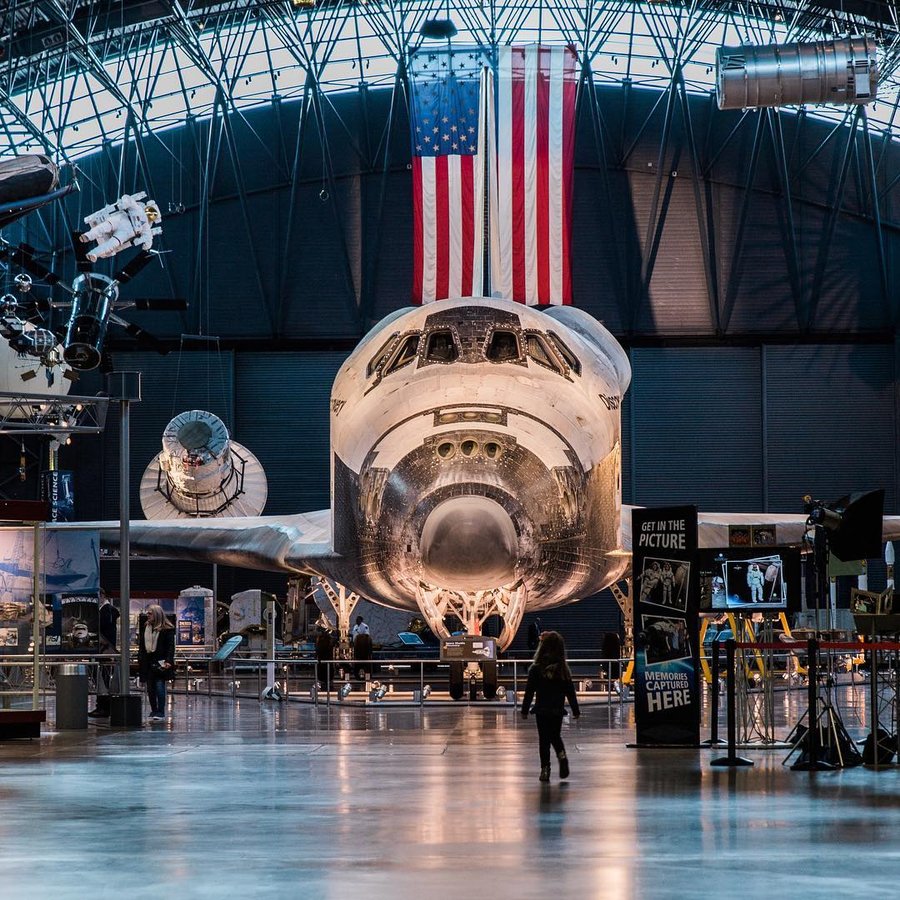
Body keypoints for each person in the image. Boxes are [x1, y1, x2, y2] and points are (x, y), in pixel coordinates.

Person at [521, 631, 580, 782]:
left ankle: (545, 769)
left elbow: (529, 691)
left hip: (542, 709)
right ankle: (562, 757)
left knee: (544, 740)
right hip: (557, 710)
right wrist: (575, 710)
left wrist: (525, 709)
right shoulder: (563, 669)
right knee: (555, 736)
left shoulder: (536, 669)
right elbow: (570, 691)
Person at [138, 604, 175, 722]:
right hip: (148, 661)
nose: (147, 615)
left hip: (161, 661)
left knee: (159, 686)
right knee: (150, 688)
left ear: (157, 615)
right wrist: (140, 658)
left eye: (150, 613)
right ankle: (154, 709)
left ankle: (161, 711)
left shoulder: (167, 629)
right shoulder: (146, 627)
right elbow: (142, 645)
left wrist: (169, 660)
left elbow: (170, 646)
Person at [89, 589, 120, 718]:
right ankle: (101, 705)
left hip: (104, 649)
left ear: (102, 596)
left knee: (103, 678)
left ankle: (104, 706)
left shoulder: (108, 611)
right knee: (100, 678)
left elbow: (102, 628)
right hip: (102, 648)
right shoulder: (105, 610)